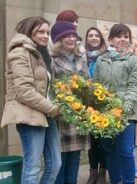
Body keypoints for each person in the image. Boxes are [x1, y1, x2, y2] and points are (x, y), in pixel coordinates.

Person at [0, 16, 61, 183]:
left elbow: (46, 87)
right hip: (30, 115)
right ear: (29, 30)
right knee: (32, 166)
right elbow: (24, 91)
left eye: (47, 33)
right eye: (40, 31)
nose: (44, 36)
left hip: (46, 113)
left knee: (55, 163)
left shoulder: (42, 53)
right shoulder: (19, 52)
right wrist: (53, 108)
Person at [93, 23, 137, 184]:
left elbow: (135, 86)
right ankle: (115, 180)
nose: (123, 39)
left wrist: (124, 108)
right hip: (104, 113)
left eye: (125, 36)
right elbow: (96, 84)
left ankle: (129, 182)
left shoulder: (133, 60)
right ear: (110, 39)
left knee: (125, 150)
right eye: (119, 36)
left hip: (126, 113)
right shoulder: (101, 59)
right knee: (109, 149)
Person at [50, 20, 89, 184]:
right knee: (60, 159)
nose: (72, 39)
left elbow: (88, 82)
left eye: (74, 35)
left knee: (75, 157)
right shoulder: (52, 60)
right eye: (68, 35)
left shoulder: (81, 57)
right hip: (62, 114)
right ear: (59, 39)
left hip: (79, 113)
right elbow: (50, 87)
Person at [85, 27, 108, 184]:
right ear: (86, 39)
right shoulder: (81, 56)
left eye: (96, 35)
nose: (93, 38)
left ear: (101, 38)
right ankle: (93, 172)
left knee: (104, 141)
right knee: (92, 142)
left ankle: (102, 173)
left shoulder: (107, 56)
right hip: (87, 105)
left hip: (104, 104)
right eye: (90, 35)